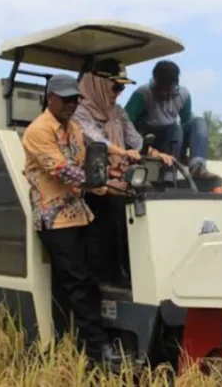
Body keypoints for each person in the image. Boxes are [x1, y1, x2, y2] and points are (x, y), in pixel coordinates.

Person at [22, 73, 121, 369]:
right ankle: (96, 347)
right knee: (78, 282)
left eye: (75, 99)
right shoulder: (38, 131)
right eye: (65, 99)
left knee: (89, 276)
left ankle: (76, 340)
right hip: (54, 218)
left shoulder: (74, 129)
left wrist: (112, 175)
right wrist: (105, 186)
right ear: (49, 98)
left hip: (78, 212)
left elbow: (84, 163)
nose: (71, 104)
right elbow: (65, 171)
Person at [72, 58, 172, 286]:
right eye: (116, 86)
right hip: (91, 186)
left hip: (121, 180)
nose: (119, 92)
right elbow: (95, 140)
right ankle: (110, 283)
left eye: (122, 88)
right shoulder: (78, 111)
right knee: (111, 220)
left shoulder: (117, 112)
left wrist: (156, 154)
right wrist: (123, 153)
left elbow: (135, 140)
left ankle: (138, 277)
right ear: (96, 83)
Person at [124, 60, 216, 179]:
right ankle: (167, 173)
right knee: (173, 129)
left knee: (198, 123)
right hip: (147, 139)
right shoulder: (143, 94)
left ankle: (197, 166)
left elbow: (185, 122)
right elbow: (124, 123)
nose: (164, 93)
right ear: (155, 82)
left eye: (167, 89)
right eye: (161, 88)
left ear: (175, 84)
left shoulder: (184, 95)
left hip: (172, 138)